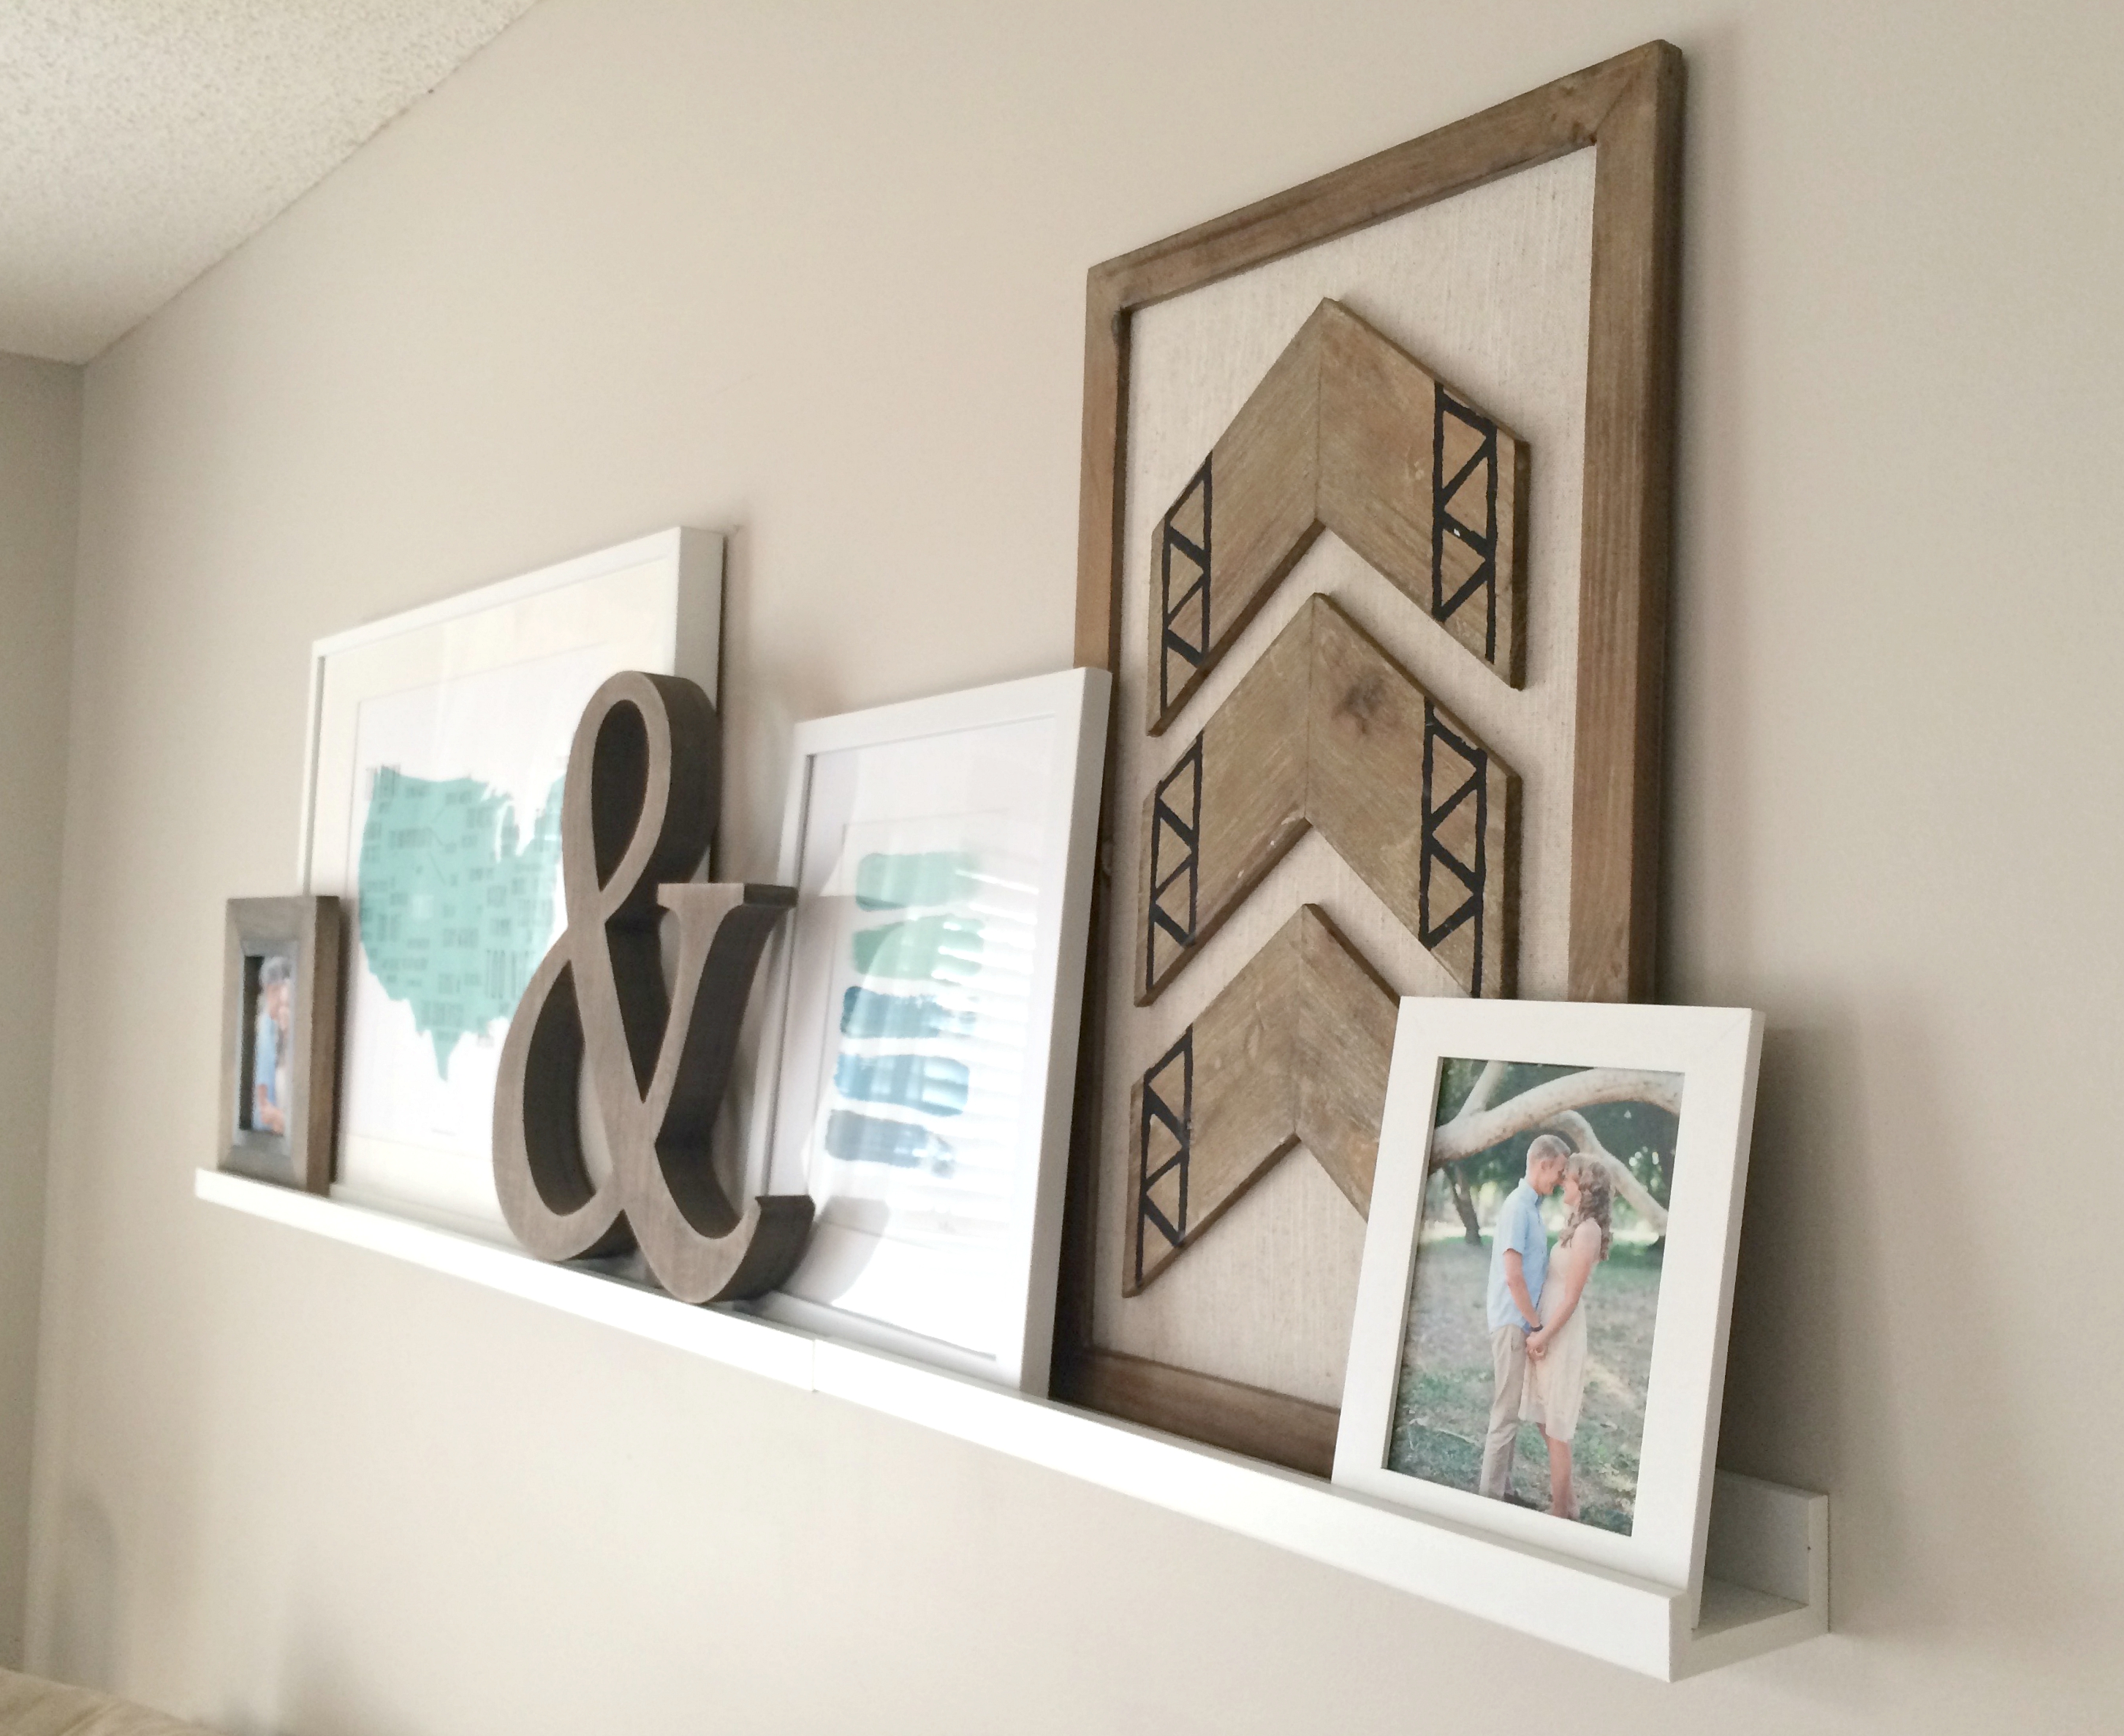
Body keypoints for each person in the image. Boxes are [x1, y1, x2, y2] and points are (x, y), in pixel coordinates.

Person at [1522, 1153, 1616, 1522]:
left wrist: (1544, 1334)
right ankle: (1570, 1504)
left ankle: (1560, 1512)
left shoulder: (1589, 1231)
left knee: (1557, 1426)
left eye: (1570, 1178)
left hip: (1561, 1331)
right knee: (1545, 1420)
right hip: (1548, 1326)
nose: (1563, 1181)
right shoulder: (1575, 1225)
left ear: (1586, 1187)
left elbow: (1572, 1296)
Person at [1479, 1133, 1570, 1501]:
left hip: (1519, 1322)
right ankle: (1489, 1498)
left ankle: (1504, 1489)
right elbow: (1513, 1275)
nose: (1561, 1180)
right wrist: (1535, 1325)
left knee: (1512, 1411)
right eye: (1559, 1172)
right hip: (1512, 1323)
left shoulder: (1530, 1208)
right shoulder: (1518, 1207)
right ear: (1543, 1163)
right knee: (1505, 1414)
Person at [253, 957, 293, 1136]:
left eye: (276, 990)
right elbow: (263, 1079)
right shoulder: (267, 1026)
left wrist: (277, 1117)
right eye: (269, 991)